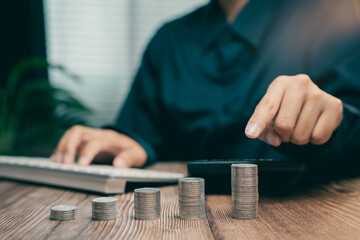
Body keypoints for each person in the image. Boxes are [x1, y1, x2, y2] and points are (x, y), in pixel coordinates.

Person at [50, 0, 360, 179]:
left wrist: (332, 119)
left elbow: (351, 131)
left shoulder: (335, 21)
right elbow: (141, 137)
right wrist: (129, 142)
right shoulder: (168, 41)